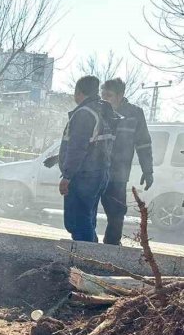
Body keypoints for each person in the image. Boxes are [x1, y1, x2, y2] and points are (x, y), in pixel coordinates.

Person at [58, 75, 116, 243]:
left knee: (77, 220)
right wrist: (59, 158)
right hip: (99, 173)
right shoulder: (102, 111)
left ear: (79, 92)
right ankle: (92, 253)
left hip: (83, 176)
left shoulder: (84, 113)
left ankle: (84, 260)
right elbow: (93, 146)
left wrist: (67, 176)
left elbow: (78, 147)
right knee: (87, 218)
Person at [99, 78, 154, 245]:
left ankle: (111, 246)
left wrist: (148, 170)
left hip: (118, 174)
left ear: (120, 95)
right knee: (87, 211)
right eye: (103, 94)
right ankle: (87, 246)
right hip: (95, 171)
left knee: (116, 213)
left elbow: (143, 143)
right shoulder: (97, 110)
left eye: (108, 95)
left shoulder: (134, 114)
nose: (104, 99)